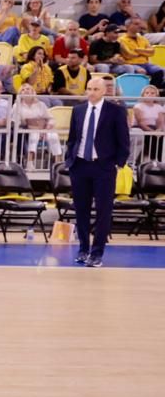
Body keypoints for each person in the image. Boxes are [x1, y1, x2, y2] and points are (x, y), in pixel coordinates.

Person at [65, 76, 130, 268]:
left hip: (103, 167)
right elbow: (72, 138)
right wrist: (70, 159)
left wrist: (118, 163)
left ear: (104, 91)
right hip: (80, 165)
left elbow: (123, 141)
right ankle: (83, 249)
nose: (91, 92)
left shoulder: (116, 111)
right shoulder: (78, 110)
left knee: (103, 211)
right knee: (81, 210)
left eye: (95, 89)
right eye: (89, 89)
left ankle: (97, 253)